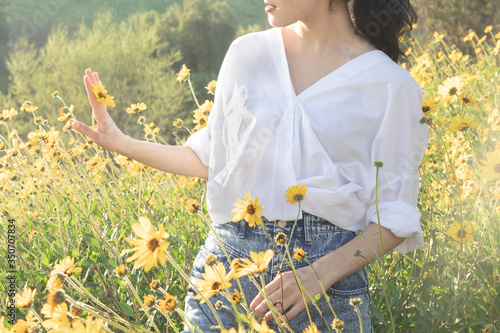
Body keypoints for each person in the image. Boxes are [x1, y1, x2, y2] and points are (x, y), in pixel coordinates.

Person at [73, 0, 428, 331]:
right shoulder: (247, 54)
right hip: (224, 276)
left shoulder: (390, 85)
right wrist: (120, 143)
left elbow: (394, 217)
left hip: (326, 292)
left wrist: (319, 275)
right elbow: (211, 158)